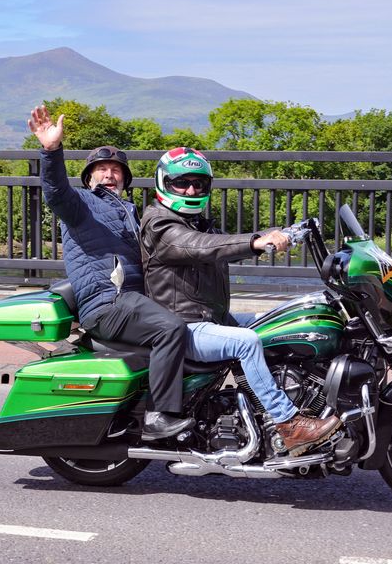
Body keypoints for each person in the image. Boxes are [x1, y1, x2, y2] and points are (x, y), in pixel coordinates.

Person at [140, 147, 342, 457]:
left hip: (210, 318)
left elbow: (221, 240)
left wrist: (280, 233)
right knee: (246, 342)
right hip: (183, 327)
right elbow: (203, 247)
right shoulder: (160, 225)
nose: (191, 190)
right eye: (182, 182)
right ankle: (287, 423)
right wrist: (257, 242)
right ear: (164, 183)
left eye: (199, 183)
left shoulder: (195, 221)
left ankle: (302, 396)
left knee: (286, 318)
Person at [28, 105, 194, 441]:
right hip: (107, 304)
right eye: (101, 169)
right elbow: (56, 191)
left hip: (133, 301)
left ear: (125, 179)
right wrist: (51, 150)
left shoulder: (133, 213)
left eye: (116, 169)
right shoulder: (80, 206)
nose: (109, 173)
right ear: (89, 178)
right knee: (170, 329)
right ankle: (158, 416)